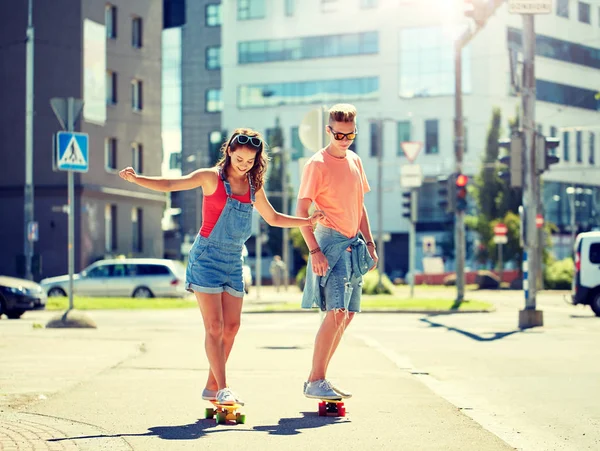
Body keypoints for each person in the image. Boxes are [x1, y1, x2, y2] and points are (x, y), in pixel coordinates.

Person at [119, 128, 324, 406]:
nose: (244, 166)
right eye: (239, 159)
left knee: (232, 327)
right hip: (206, 258)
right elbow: (170, 185)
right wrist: (136, 179)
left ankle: (211, 386)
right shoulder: (209, 177)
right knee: (214, 326)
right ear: (229, 151)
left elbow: (273, 218)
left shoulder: (253, 187)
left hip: (233, 260)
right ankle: (224, 387)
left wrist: (307, 222)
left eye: (250, 162)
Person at [296, 104, 378, 400]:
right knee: (336, 311)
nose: (344, 139)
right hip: (329, 244)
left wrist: (370, 243)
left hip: (354, 245)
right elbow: (301, 211)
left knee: (348, 314)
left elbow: (360, 205)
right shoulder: (316, 164)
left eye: (350, 134)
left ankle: (319, 379)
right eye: (339, 134)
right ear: (328, 130)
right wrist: (314, 250)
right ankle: (316, 378)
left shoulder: (355, 160)